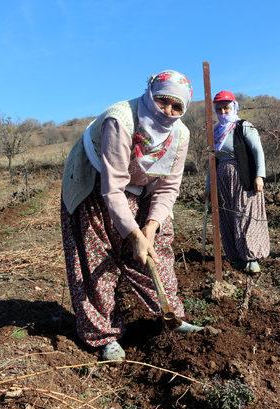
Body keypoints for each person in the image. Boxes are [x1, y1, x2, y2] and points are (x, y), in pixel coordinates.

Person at [61, 70, 202, 362]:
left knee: (157, 249)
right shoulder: (121, 119)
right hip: (94, 181)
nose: (168, 111)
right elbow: (112, 189)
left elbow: (169, 187)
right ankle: (104, 335)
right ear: (150, 94)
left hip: (141, 186)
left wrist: (149, 228)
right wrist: (133, 234)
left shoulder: (180, 134)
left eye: (177, 107)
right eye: (163, 101)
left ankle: (171, 316)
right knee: (97, 255)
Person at [209, 90, 270, 274]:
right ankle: (235, 255)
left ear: (233, 107)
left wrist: (259, 176)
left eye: (226, 108)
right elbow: (212, 160)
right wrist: (208, 186)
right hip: (222, 179)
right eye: (219, 109)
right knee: (228, 216)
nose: (223, 112)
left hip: (242, 177)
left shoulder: (244, 126)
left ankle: (251, 257)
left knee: (245, 215)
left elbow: (257, 150)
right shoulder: (216, 131)